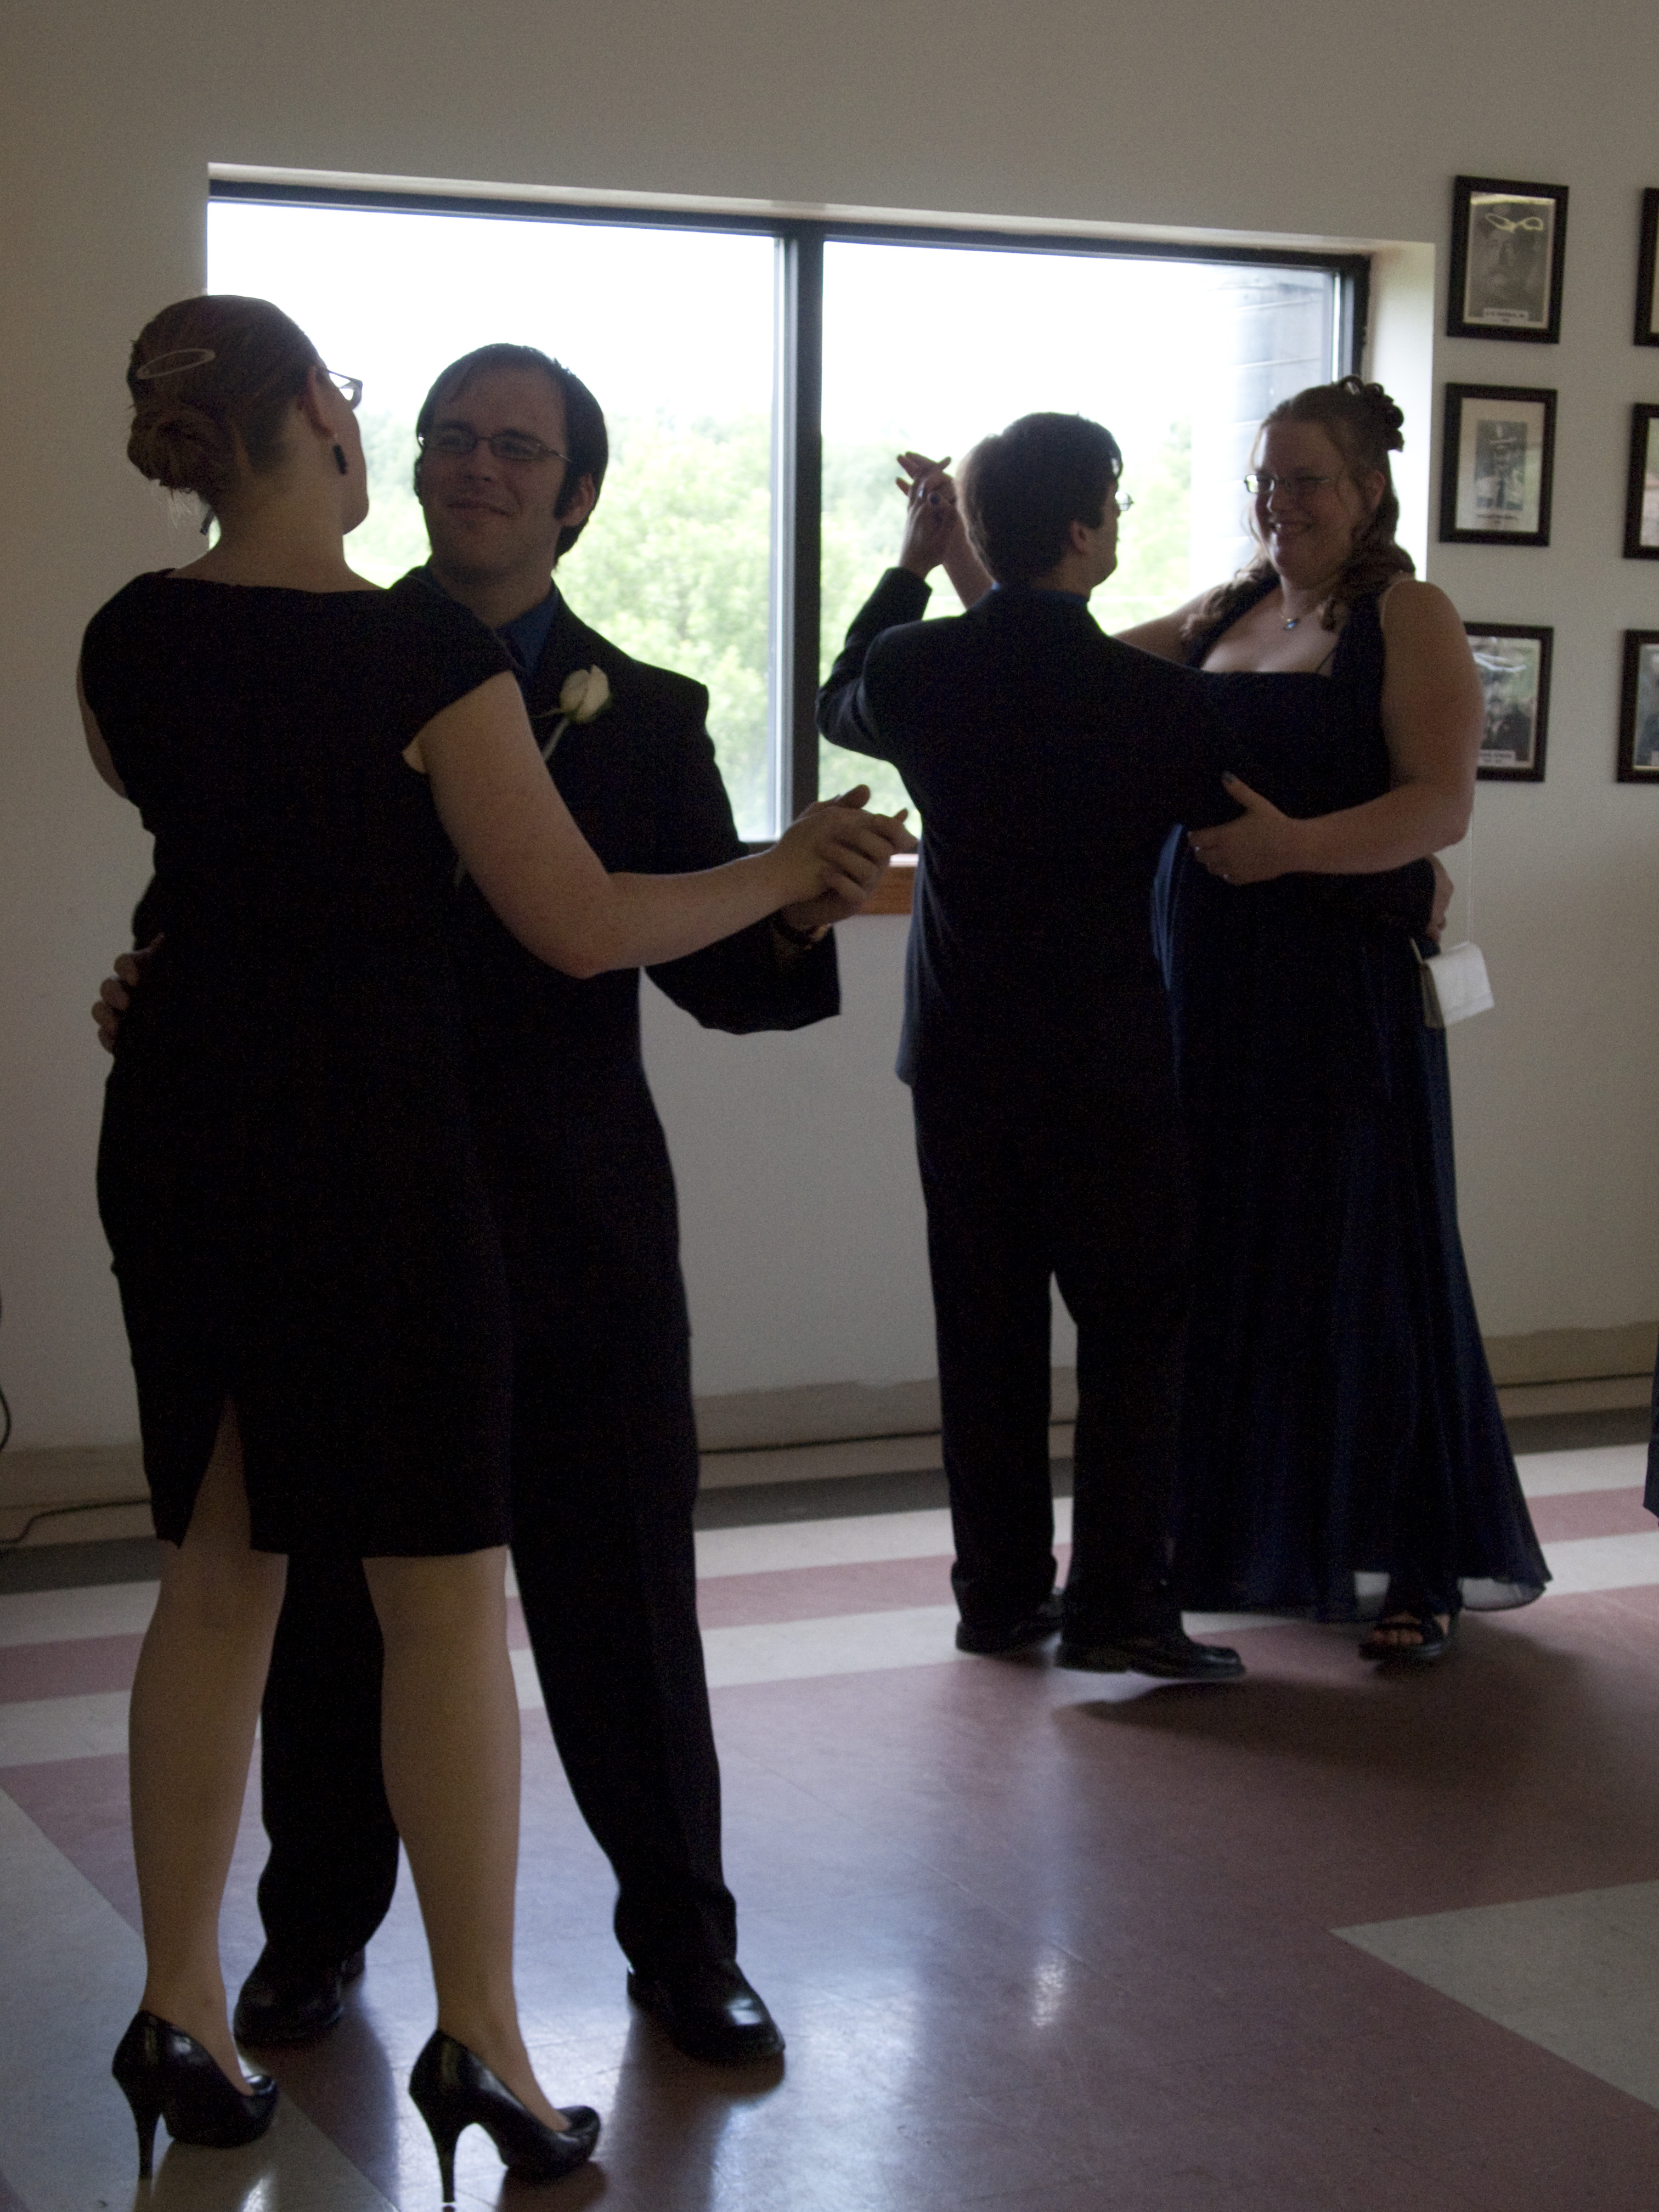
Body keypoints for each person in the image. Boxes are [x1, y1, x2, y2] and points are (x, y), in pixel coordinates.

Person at [82, 294, 907, 2188]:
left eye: (517, 447)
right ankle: (397, 1989)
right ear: (343, 427)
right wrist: (792, 862)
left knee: (440, 1585)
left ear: (577, 496)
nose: (473, 464)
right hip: (369, 1177)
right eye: (447, 431)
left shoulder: (144, 634)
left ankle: (649, 1949)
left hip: (413, 1181)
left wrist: (789, 907)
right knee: (382, 1607)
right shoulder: (404, 645)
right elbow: (561, 916)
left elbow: (227, 852)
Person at [819, 411, 1268, 1683]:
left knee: (986, 1335)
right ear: (1081, 530)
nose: (1119, 527)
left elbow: (839, 699)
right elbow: (1237, 827)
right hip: (1109, 1061)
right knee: (1134, 1332)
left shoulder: (919, 668)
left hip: (960, 1058)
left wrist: (914, 563)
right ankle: (1119, 1604)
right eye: (1114, 509)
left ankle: (999, 1596)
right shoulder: (1155, 701)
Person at [1116, 375, 1548, 1662]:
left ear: (1368, 491)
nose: (1277, 503)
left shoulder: (1409, 614)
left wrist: (1294, 848)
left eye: (1304, 480)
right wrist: (970, 558)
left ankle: (1417, 1563)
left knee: (1364, 1262)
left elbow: (1440, 804)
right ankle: (1235, 1537)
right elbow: (1068, 669)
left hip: (1333, 990)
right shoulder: (1228, 608)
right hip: (1210, 985)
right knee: (1226, 1255)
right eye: (1264, 480)